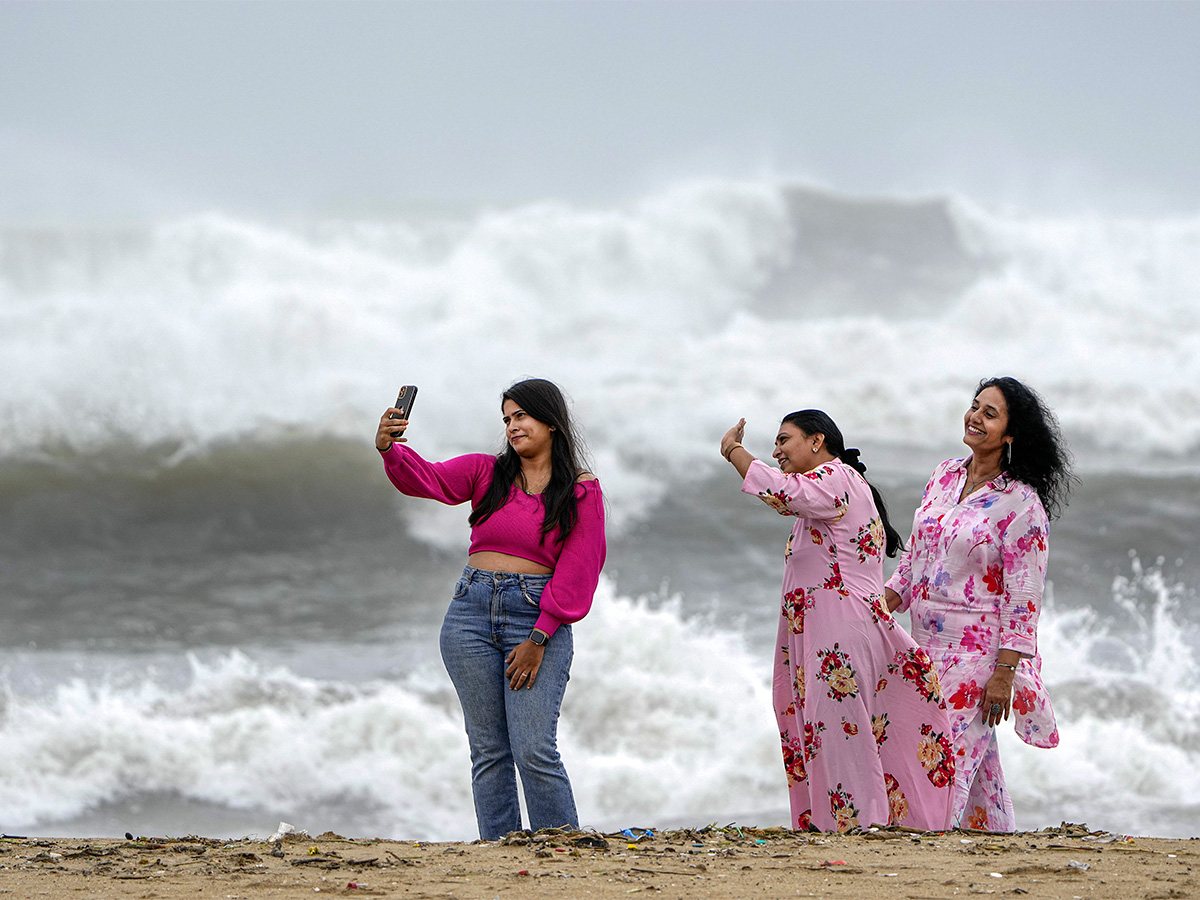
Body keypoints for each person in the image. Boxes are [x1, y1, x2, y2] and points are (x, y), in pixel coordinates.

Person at [376, 378, 605, 840]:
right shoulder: (487, 472)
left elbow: (580, 569)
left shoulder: (581, 490)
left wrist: (539, 637)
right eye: (506, 419)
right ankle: (499, 850)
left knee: (534, 748)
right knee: (488, 749)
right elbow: (430, 479)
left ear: (551, 422)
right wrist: (389, 449)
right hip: (469, 615)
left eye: (521, 415)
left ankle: (561, 847)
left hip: (535, 618)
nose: (512, 426)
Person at [721, 410, 955, 833]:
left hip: (839, 632)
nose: (776, 451)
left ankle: (857, 826)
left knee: (839, 728)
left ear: (816, 441)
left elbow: (782, 493)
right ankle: (840, 823)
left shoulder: (837, 477)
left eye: (783, 440)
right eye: (773, 444)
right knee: (821, 724)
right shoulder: (829, 490)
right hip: (825, 629)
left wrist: (734, 451)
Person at [885, 376, 1072, 832]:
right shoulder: (945, 474)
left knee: (938, 758)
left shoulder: (1021, 504)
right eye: (975, 407)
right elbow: (915, 554)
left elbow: (1024, 598)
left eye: (990, 414)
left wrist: (1004, 674)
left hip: (977, 657)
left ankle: (926, 837)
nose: (975, 417)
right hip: (923, 647)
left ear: (1010, 434)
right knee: (973, 763)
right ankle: (991, 837)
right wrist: (883, 602)